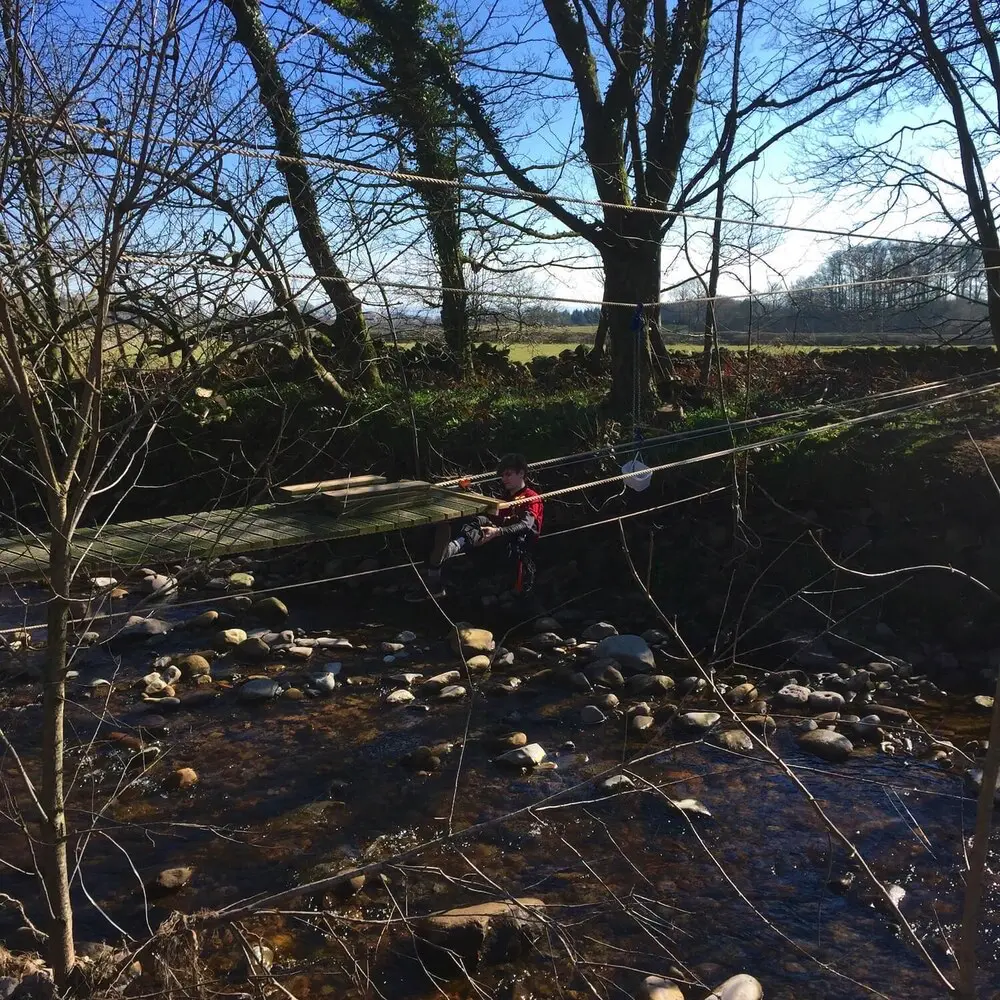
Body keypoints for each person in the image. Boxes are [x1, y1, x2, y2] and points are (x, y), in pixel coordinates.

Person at [407, 453, 544, 601]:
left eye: (508, 474)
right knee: (470, 521)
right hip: (492, 541)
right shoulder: (505, 498)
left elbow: (525, 525)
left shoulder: (531, 497)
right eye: (503, 476)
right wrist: (467, 493)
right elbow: (490, 515)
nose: (504, 479)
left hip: (513, 546)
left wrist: (497, 532)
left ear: (521, 473)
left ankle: (445, 555)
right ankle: (436, 570)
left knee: (479, 527)